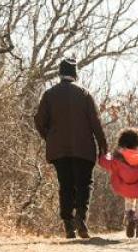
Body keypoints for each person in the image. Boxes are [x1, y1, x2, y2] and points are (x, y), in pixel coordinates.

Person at [34, 58, 108, 239]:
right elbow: (96, 123)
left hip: (59, 151)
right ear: (75, 74)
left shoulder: (49, 94)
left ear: (60, 73)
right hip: (84, 150)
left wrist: (50, 137)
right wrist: (103, 146)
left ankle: (68, 225)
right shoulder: (84, 94)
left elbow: (38, 121)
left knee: (66, 185)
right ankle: (81, 220)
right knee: (84, 185)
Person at [99, 128, 138, 238]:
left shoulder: (118, 157)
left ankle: (130, 218)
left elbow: (106, 162)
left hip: (125, 188)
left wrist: (103, 154)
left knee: (129, 202)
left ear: (122, 142)